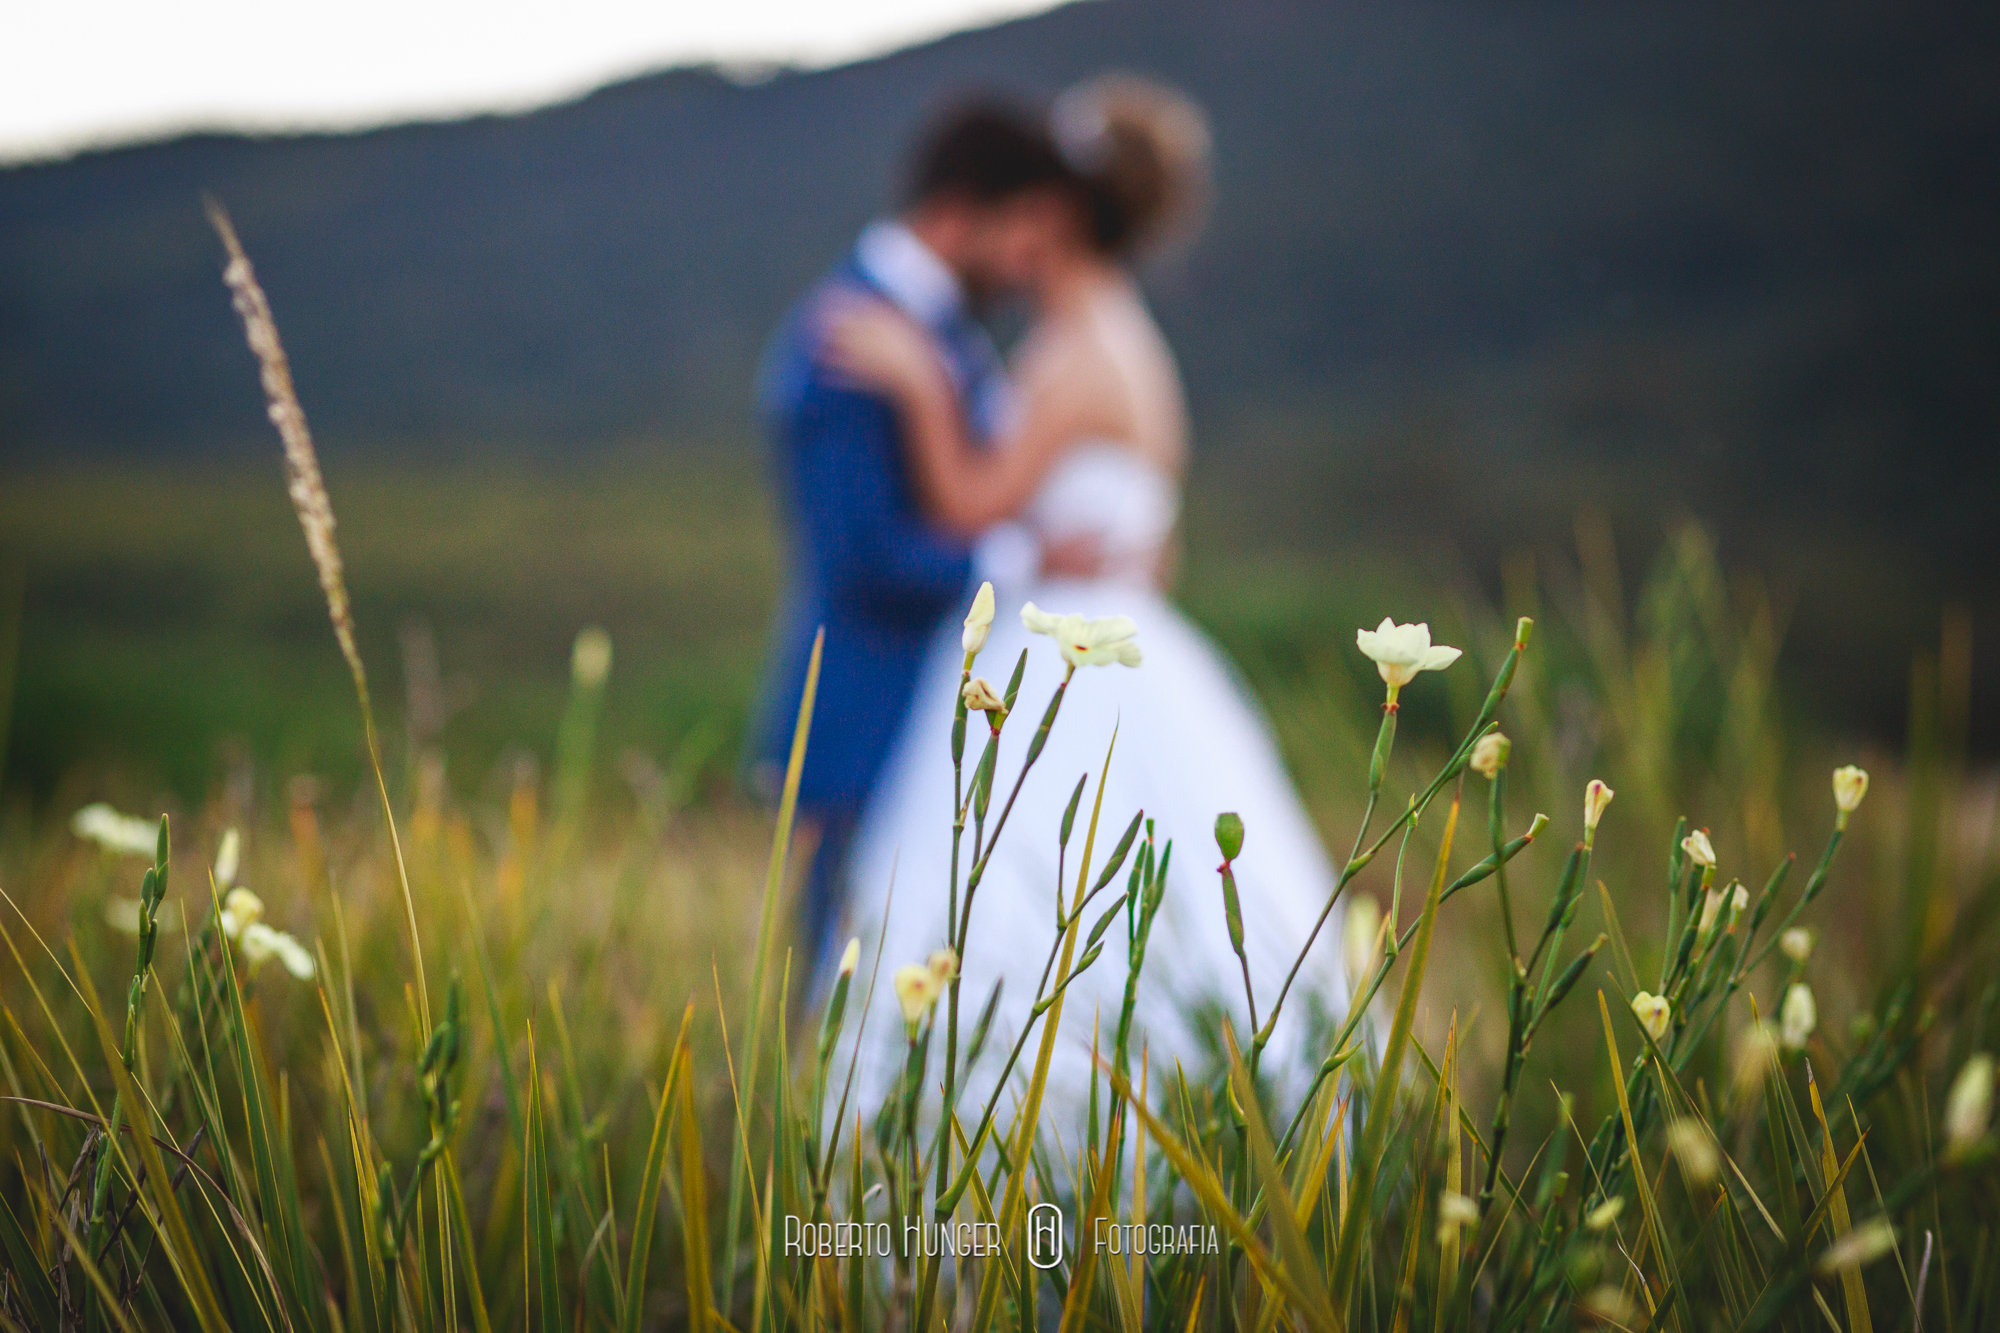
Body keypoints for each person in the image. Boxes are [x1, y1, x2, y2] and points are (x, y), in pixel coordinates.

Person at [827, 76, 1352, 1111]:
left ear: (1057, 218)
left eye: (1020, 210)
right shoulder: (1130, 340)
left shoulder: (1075, 350)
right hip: (1138, 645)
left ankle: (1037, 1127)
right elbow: (1155, 538)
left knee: (1029, 896)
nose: (1004, 236)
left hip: (1070, 662)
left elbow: (970, 498)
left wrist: (910, 378)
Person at [751, 102, 1094, 984]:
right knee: (838, 999)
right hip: (864, 718)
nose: (1030, 261)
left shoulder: (940, 328)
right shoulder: (845, 338)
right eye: (1023, 227)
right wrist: (1025, 562)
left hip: (937, 718)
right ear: (958, 210)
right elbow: (862, 559)